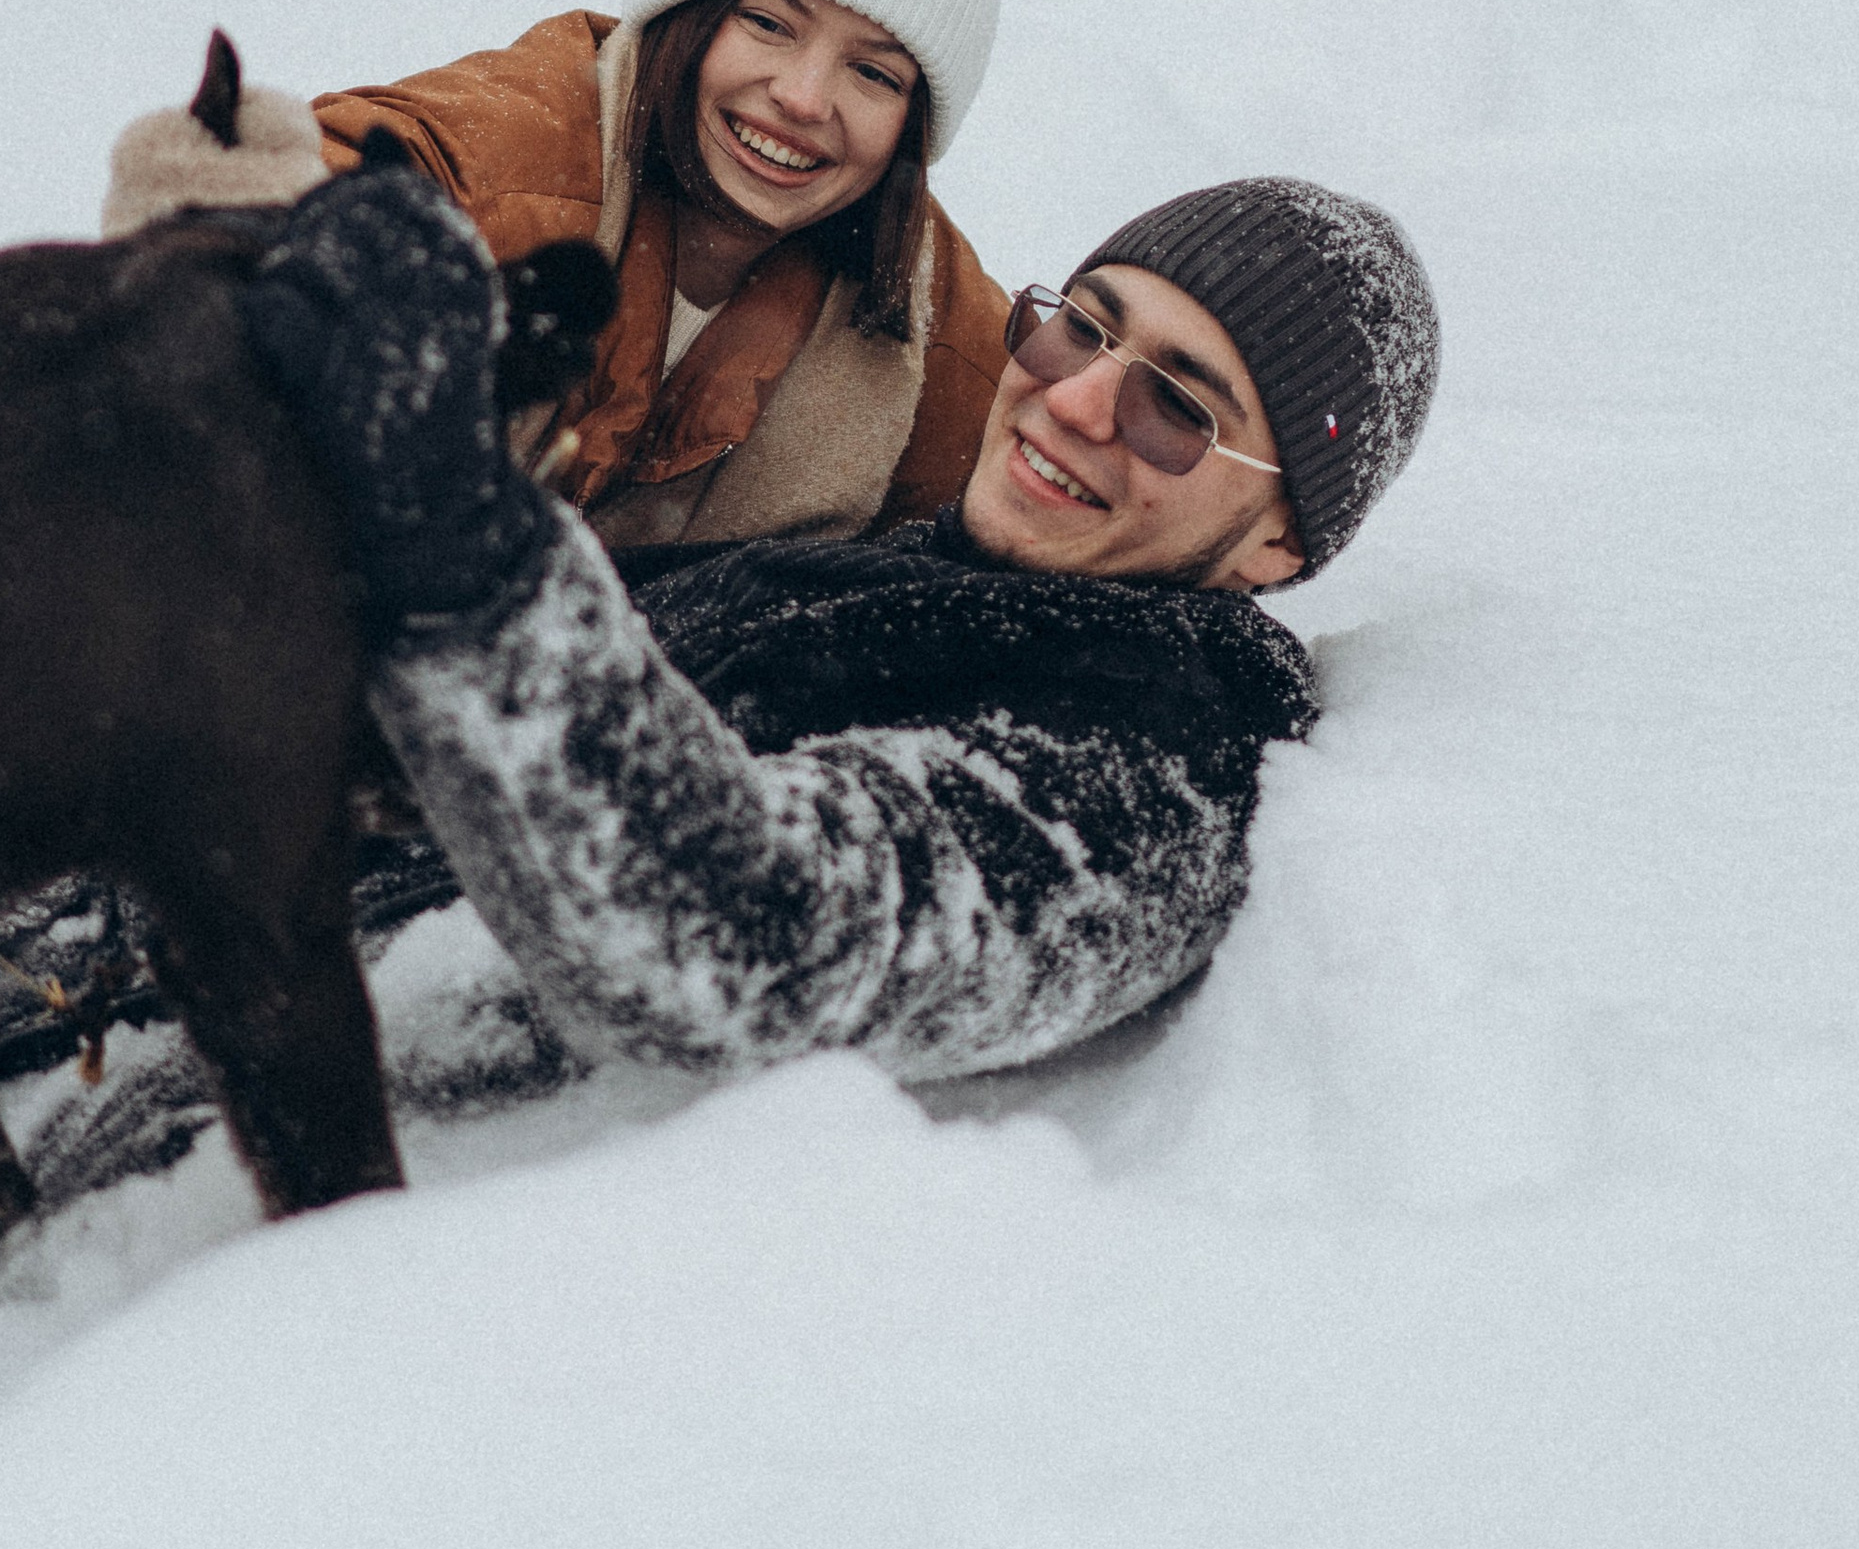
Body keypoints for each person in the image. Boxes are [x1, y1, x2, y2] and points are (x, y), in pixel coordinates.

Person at [241, 163, 1441, 1103]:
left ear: (1276, 547)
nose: (1071, 398)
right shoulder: (874, 558)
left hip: (257, 1150)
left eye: (1176, 407)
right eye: (1079, 326)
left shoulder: (1163, 737)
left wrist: (482, 553)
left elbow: (763, 944)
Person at [126, 0, 1016, 549]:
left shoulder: (928, 333)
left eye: (876, 75)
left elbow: (1083, 464)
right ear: (688, 16)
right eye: (769, 23)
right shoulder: (513, 155)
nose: (803, 98)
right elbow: (266, 225)